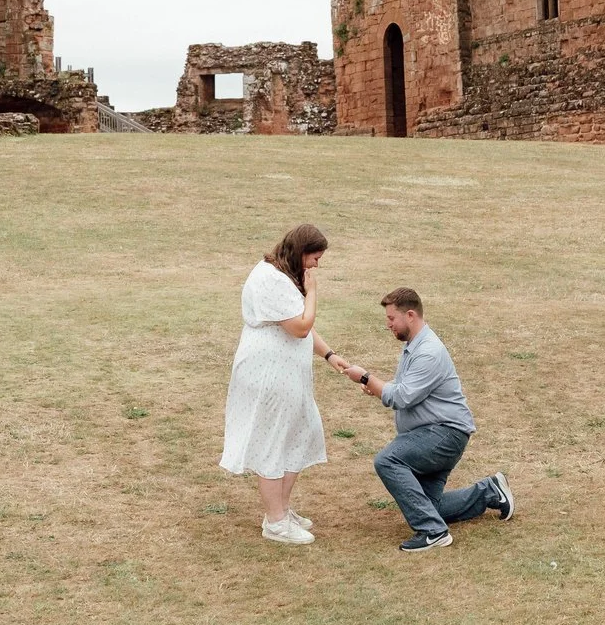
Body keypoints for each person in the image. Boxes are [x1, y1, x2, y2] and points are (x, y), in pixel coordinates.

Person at [332, 286, 512, 552]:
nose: (388, 324)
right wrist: (377, 388)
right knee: (429, 506)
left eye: (392, 318)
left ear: (411, 315)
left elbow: (403, 397)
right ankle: (490, 491)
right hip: (433, 435)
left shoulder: (428, 351)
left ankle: (433, 532)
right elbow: (407, 391)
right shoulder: (414, 347)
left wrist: (366, 377)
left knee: (387, 460)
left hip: (443, 435)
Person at [219, 223, 344, 545]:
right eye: (314, 258)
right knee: (274, 441)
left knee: (302, 432)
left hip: (288, 374)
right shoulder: (270, 279)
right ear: (300, 252)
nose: (316, 266)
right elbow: (300, 326)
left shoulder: (285, 275)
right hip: (268, 374)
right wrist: (313, 291)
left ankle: (282, 509)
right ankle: (275, 522)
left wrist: (329, 355)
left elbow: (300, 323)